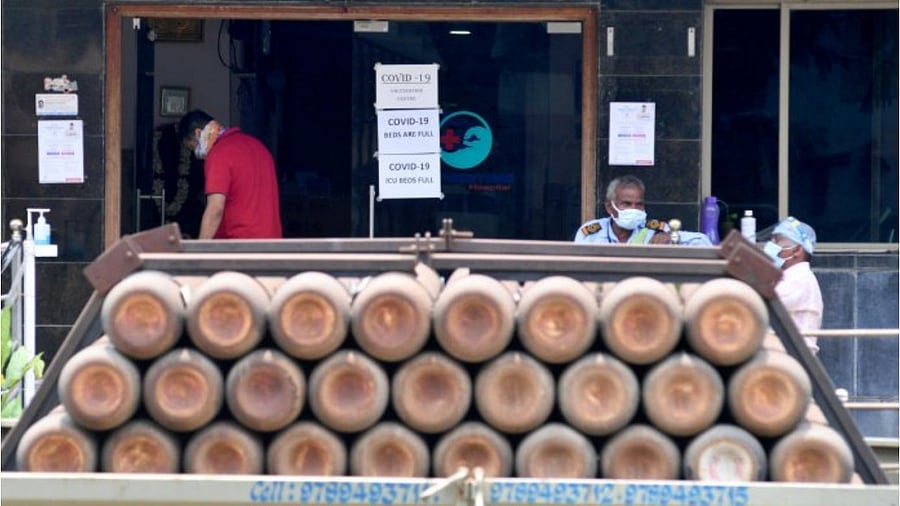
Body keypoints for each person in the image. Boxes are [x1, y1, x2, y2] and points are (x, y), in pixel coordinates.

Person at [179, 110, 282, 239]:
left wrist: (200, 251)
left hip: (238, 245)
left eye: (192, 147)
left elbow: (215, 210)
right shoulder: (259, 146)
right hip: (271, 243)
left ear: (198, 133)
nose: (195, 153)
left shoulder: (219, 154)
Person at [573, 175, 712, 246]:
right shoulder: (591, 234)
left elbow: (703, 242)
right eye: (626, 204)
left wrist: (672, 237)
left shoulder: (657, 231)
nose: (634, 209)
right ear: (610, 207)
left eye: (639, 204)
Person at [763, 216, 823, 355]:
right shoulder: (788, 277)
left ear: (797, 250)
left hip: (793, 356)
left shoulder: (799, 279)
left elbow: (763, 305)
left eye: (777, 241)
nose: (770, 245)